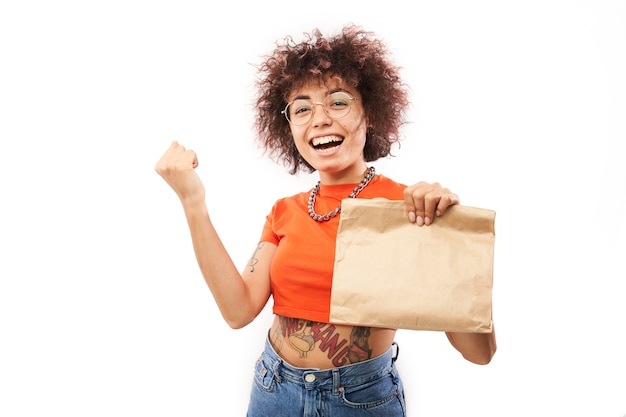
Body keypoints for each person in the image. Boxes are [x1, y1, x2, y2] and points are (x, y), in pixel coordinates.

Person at [155, 24, 496, 417]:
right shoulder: (285, 210)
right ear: (290, 130)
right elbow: (238, 309)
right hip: (274, 389)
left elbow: (479, 354)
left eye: (338, 102)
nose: (318, 119)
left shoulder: (409, 208)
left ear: (370, 113)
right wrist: (192, 201)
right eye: (302, 108)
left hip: (362, 399)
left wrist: (449, 239)